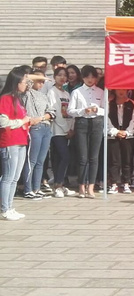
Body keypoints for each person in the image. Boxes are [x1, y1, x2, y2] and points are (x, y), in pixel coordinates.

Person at [67, 65, 105, 198]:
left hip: (97, 123)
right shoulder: (77, 92)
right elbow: (70, 110)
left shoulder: (101, 92)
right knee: (83, 157)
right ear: (82, 78)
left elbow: (106, 110)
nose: (90, 79)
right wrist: (83, 111)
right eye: (87, 77)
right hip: (82, 123)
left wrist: (97, 110)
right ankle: (81, 186)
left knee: (94, 157)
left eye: (92, 77)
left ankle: (91, 187)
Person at [0, 67, 32, 220]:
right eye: (24, 81)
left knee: (15, 177)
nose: (26, 84)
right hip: (10, 141)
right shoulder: (6, 98)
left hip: (21, 140)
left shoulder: (17, 98)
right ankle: (5, 208)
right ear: (17, 82)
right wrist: (22, 121)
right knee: (8, 176)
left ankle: (10, 206)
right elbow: (3, 122)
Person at [22, 70, 56, 199]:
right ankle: (27, 189)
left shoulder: (43, 95)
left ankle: (36, 188)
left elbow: (52, 112)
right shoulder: (27, 93)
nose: (41, 84)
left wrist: (42, 117)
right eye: (39, 81)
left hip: (45, 127)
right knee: (32, 160)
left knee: (40, 161)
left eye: (43, 81)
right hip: (34, 128)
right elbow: (26, 78)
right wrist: (39, 76)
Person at [48, 67, 74, 198]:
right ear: (54, 77)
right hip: (57, 130)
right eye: (59, 75)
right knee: (64, 156)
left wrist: (71, 128)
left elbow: (70, 112)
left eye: (64, 75)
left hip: (67, 130)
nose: (62, 78)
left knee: (61, 158)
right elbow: (56, 113)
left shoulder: (67, 94)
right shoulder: (52, 92)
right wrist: (65, 128)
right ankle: (57, 185)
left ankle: (60, 184)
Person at [106, 90, 134, 194]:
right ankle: (113, 183)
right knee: (114, 160)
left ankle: (126, 183)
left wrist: (127, 132)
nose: (121, 91)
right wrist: (115, 131)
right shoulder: (109, 103)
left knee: (127, 160)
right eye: (118, 89)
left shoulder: (131, 104)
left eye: (123, 89)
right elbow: (106, 119)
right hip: (113, 135)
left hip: (127, 135)